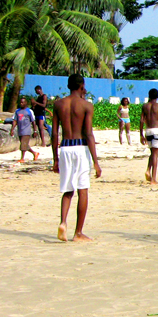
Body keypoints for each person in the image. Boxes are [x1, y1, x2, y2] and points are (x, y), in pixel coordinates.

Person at [51, 74, 102, 242]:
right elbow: (88, 134)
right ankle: (78, 232)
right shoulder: (86, 105)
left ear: (68, 86)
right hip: (80, 148)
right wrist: (95, 161)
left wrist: (55, 159)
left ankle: (63, 222)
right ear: (82, 87)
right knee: (83, 190)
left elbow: (54, 133)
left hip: (65, 147)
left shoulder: (59, 104)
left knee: (67, 190)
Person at [10, 97, 39, 163]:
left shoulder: (29, 111)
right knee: (25, 144)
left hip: (27, 130)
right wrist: (12, 129)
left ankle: (22, 158)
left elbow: (33, 121)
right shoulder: (17, 111)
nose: (21, 103)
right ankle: (35, 153)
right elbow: (15, 120)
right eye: (20, 102)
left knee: (23, 144)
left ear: (26, 103)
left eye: (23, 102)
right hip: (20, 130)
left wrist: (35, 131)